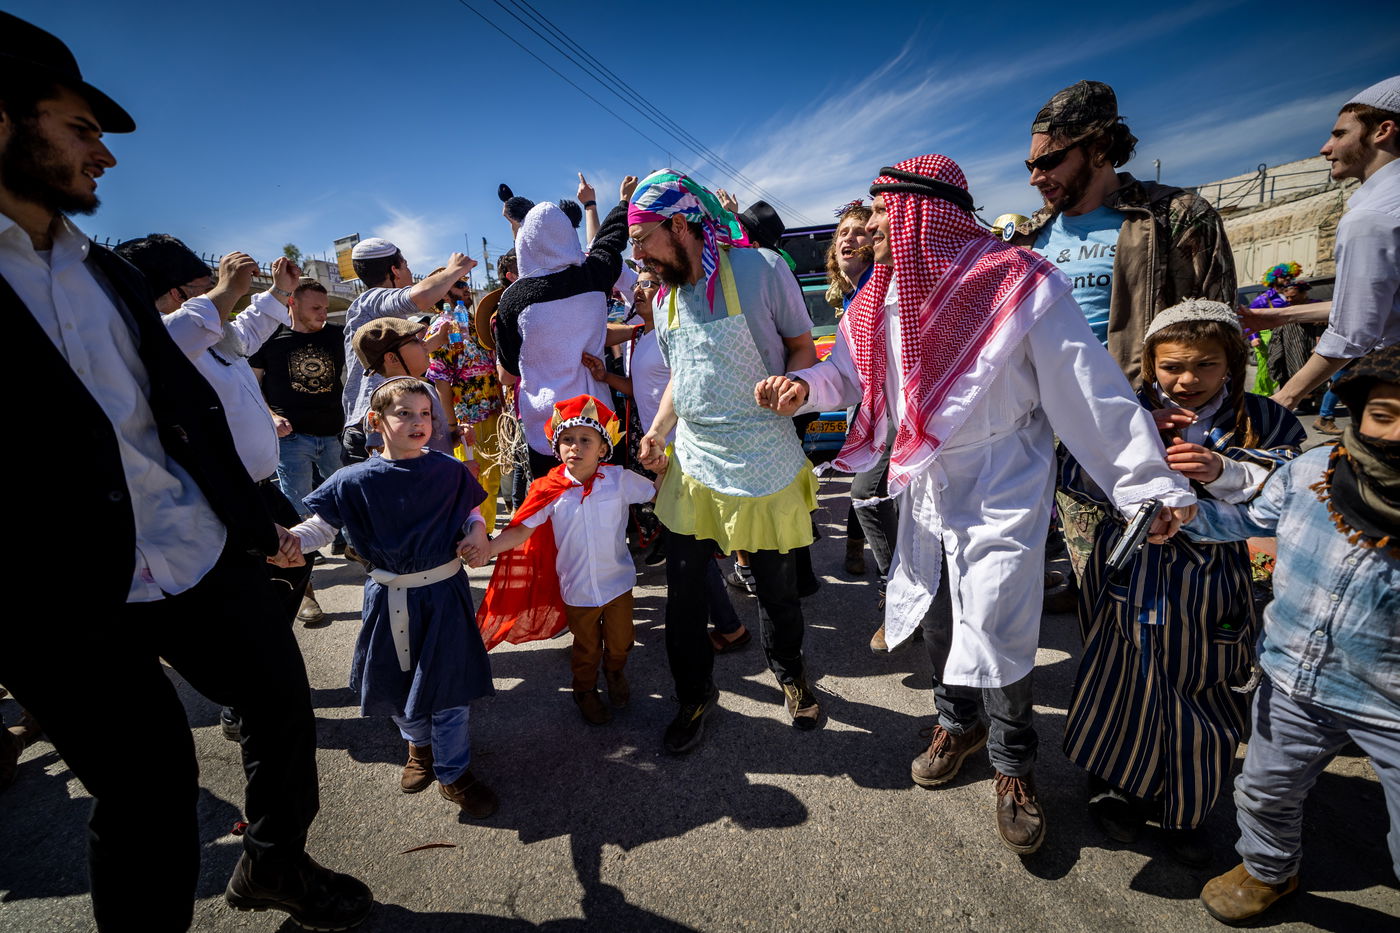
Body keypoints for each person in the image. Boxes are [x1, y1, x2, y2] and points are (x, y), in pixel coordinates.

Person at [0, 13, 370, 930]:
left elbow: (184, 421)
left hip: (198, 554)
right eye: (81, 129)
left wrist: (258, 527)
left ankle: (276, 863)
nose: (106, 157)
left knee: (282, 702)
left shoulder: (103, 274)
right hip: (60, 602)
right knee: (151, 793)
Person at [758, 154, 1196, 855]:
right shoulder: (883, 299)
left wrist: (1144, 480)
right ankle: (957, 724)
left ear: (923, 212)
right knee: (938, 619)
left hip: (1000, 486)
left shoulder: (1017, 286)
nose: (869, 226)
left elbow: (1088, 390)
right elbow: (848, 372)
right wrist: (805, 389)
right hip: (927, 488)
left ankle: (1014, 768)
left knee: (999, 625)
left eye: (880, 212)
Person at [1058, 299, 1304, 865]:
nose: (1187, 380)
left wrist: (1224, 470)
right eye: (1171, 366)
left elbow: (1294, 488)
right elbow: (1071, 472)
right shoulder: (1117, 411)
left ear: (1232, 363)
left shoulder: (1264, 419)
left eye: (1206, 366)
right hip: (1127, 575)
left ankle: (1187, 808)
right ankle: (1117, 788)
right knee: (1121, 678)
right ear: (1149, 363)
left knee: (1206, 681)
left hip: (1213, 582)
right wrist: (1133, 446)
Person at [1187, 344, 1400, 925]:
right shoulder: (1312, 471)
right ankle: (1267, 870)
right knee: (1263, 789)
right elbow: (1251, 518)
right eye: (1385, 415)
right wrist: (1185, 518)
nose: (1396, 434)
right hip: (1289, 684)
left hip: (1390, 707)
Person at [1010, 79, 1236, 587]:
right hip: (1061, 437)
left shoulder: (1174, 217)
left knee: (1173, 583)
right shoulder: (1029, 236)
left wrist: (1183, 407)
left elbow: (1219, 333)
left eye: (1049, 161)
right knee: (1097, 578)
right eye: (1029, 165)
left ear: (1099, 148)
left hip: (1154, 428)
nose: (1035, 177)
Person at [631, 169, 821, 751]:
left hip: (764, 454)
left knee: (776, 588)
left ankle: (789, 672)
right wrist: (658, 432)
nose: (640, 257)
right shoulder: (663, 301)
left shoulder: (762, 269)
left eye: (644, 241)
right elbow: (680, 378)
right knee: (684, 594)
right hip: (695, 460)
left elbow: (801, 346)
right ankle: (694, 696)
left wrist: (796, 383)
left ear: (679, 225)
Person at [286, 377, 497, 818]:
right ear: (375, 421)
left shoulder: (449, 469)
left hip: (444, 596)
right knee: (396, 683)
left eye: (425, 414)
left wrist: (477, 533)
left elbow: (471, 515)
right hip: (390, 598)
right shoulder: (353, 480)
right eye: (405, 413)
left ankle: (454, 772)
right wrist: (290, 542)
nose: (418, 422)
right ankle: (418, 747)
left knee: (451, 689)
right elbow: (321, 528)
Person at [583, 269, 750, 653]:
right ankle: (725, 624)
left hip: (677, 453)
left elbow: (685, 391)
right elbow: (643, 388)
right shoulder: (643, 336)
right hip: (658, 452)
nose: (638, 291)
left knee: (686, 541)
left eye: (649, 284)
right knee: (684, 541)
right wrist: (606, 376)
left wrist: (670, 454)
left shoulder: (674, 335)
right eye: (638, 284)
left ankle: (729, 627)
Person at [475, 395, 661, 725]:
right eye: (567, 440)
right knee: (586, 648)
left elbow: (657, 492)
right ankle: (584, 690)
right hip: (577, 590)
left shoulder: (619, 480)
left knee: (621, 642)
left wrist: (665, 468)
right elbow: (521, 531)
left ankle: (615, 672)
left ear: (603, 449)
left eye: (585, 440)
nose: (575, 447)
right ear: (556, 446)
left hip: (617, 584)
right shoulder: (549, 489)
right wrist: (489, 549)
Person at [1248, 76, 1400, 415]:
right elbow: (1380, 305)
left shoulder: (1372, 218)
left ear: (1383, 131)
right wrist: (1281, 316)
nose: (1325, 148)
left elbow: (1353, 332)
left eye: (1340, 133)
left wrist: (1284, 399)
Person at [493, 179, 632, 480]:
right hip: (598, 419)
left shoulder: (513, 300)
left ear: (524, 243)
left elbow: (507, 373)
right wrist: (623, 203)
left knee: (554, 511)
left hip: (547, 429)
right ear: (569, 235)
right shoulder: (594, 275)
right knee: (605, 505)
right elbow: (610, 241)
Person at [249, 278, 347, 622]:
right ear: (292, 303)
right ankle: (306, 592)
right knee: (297, 516)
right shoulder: (269, 339)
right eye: (315, 308)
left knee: (344, 501)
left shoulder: (335, 336)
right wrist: (272, 416)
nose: (323, 314)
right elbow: (250, 385)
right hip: (292, 441)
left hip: (332, 435)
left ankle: (356, 549)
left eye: (324, 308)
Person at [827, 200, 901, 649]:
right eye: (842, 235)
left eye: (860, 231)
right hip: (876, 412)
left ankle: (896, 598)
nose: (850, 239)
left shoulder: (883, 282)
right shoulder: (855, 297)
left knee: (867, 495)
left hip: (901, 413)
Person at [340, 237, 474, 464]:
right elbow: (420, 298)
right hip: (374, 432)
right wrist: (454, 270)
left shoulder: (377, 309)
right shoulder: (372, 300)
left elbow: (394, 359)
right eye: (406, 265)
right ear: (395, 270)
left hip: (388, 424)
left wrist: (434, 343)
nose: (410, 272)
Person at [423, 272, 505, 528]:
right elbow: (441, 381)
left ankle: (485, 531)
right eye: (459, 285)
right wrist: (451, 425)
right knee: (471, 480)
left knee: (490, 479)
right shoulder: (441, 328)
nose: (467, 289)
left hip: (491, 412)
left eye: (467, 284)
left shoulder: (471, 321)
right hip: (466, 419)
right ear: (443, 292)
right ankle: (470, 532)